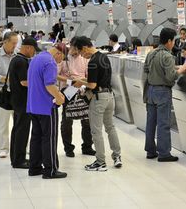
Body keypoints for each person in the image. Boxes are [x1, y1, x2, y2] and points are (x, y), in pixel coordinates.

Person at [72, 36, 122, 172]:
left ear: (85, 48)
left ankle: (100, 161)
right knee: (110, 127)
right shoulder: (104, 57)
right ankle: (117, 156)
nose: (83, 56)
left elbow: (93, 84)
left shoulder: (92, 61)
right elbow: (100, 77)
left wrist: (81, 82)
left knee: (96, 130)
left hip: (98, 98)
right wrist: (83, 79)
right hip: (110, 96)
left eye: (81, 53)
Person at [144, 28, 186, 162]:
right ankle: (164, 153)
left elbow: (146, 71)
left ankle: (150, 151)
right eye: (173, 41)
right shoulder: (167, 56)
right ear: (169, 41)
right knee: (163, 123)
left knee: (150, 122)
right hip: (162, 92)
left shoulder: (151, 54)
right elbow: (171, 77)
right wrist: (182, 69)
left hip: (151, 91)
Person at [27, 44, 67, 179]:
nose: (59, 62)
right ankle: (50, 170)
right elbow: (49, 84)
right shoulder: (50, 62)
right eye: (61, 59)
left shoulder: (36, 58)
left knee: (36, 137)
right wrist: (59, 97)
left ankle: (34, 168)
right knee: (49, 138)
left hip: (33, 105)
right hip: (46, 107)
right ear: (59, 53)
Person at [57, 39, 96, 158]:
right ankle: (68, 148)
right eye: (76, 49)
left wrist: (84, 83)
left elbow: (88, 74)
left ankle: (87, 146)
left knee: (87, 119)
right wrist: (72, 81)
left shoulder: (84, 57)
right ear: (72, 46)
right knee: (67, 120)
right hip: (69, 89)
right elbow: (56, 75)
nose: (78, 52)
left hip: (83, 88)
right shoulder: (64, 57)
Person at [8, 37, 40, 169]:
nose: (34, 53)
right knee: (22, 129)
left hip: (16, 99)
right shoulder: (22, 62)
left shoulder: (15, 59)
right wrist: (40, 84)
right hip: (22, 101)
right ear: (28, 47)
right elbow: (24, 82)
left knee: (17, 128)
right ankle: (19, 160)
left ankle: (15, 157)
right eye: (33, 50)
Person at [0, 32, 18, 158]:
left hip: (18, 93)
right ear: (5, 42)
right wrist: (9, 79)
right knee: (3, 122)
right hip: (3, 93)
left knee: (20, 122)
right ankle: (3, 148)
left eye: (16, 43)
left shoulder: (18, 55)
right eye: (13, 43)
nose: (15, 45)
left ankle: (20, 146)